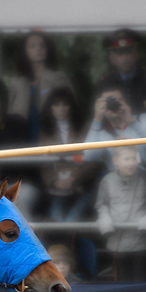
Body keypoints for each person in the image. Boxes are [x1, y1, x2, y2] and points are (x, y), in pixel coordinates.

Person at [96, 146, 146, 282]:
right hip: (117, 244)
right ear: (115, 160)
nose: (131, 163)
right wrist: (105, 222)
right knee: (122, 283)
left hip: (142, 243)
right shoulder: (107, 181)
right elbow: (101, 205)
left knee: (143, 282)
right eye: (126, 159)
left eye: (134, 158)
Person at [39, 88, 100, 221]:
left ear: (71, 107)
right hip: (58, 190)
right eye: (56, 104)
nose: (61, 108)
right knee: (58, 219)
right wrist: (55, 181)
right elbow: (44, 165)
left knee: (72, 219)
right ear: (50, 108)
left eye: (65, 104)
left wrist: (75, 177)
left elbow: (93, 160)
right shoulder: (44, 133)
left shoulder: (85, 128)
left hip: (85, 187)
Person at [7, 32, 72, 143]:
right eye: (32, 46)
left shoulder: (59, 79)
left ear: (48, 49)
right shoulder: (15, 82)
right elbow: (7, 115)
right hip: (20, 141)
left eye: (42, 45)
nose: (38, 49)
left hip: (52, 139)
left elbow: (73, 109)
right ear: (25, 51)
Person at [82, 84, 146, 172]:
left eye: (118, 100)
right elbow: (90, 157)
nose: (113, 104)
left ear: (125, 102)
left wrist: (132, 122)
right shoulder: (100, 133)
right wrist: (97, 119)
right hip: (122, 183)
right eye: (108, 102)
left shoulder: (144, 119)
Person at [97, 28, 146, 113]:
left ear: (136, 55)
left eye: (128, 52)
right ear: (112, 59)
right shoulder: (106, 84)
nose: (125, 58)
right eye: (120, 54)